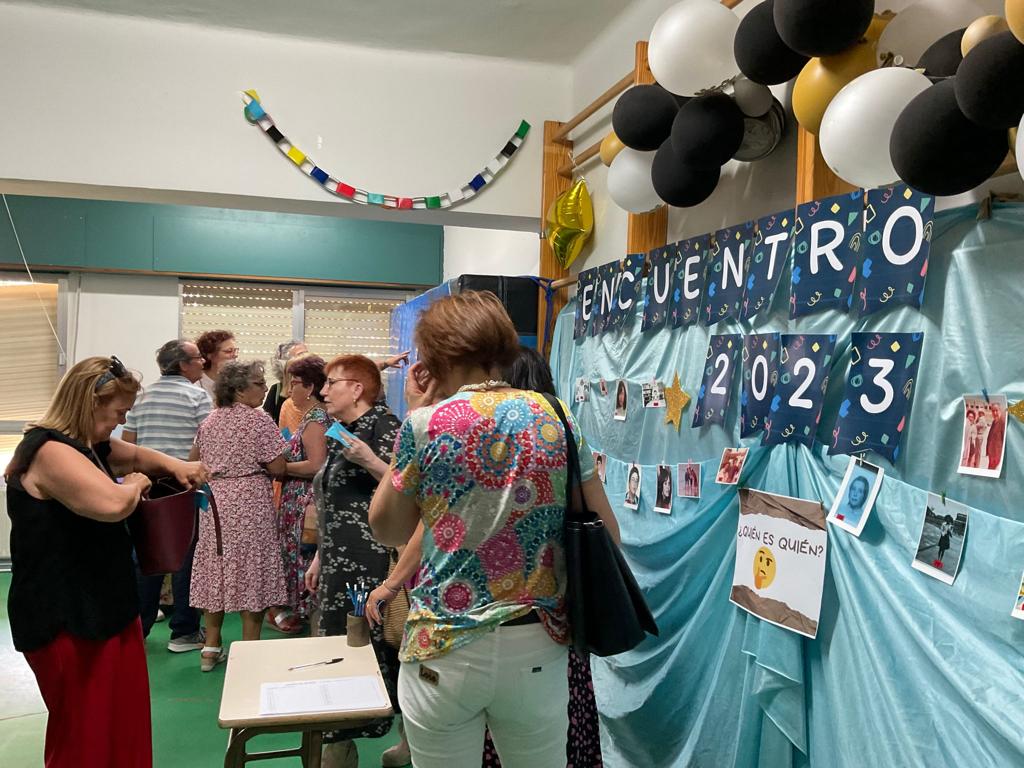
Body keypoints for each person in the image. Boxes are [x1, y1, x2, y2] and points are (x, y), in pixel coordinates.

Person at [368, 291, 621, 768]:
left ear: (435, 356)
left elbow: (388, 527)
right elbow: (609, 532)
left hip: (442, 644)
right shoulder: (557, 416)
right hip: (538, 644)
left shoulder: (427, 423)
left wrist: (419, 410)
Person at [5, 356, 208, 768]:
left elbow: (135, 453)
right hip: (66, 615)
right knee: (84, 730)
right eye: (117, 413)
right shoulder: (48, 452)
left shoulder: (90, 446)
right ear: (89, 403)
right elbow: (111, 504)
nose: (119, 422)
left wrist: (177, 465)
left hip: (104, 605)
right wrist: (134, 484)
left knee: (121, 720)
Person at [303, 354, 402, 768]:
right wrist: (321, 556)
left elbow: (407, 488)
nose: (322, 391)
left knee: (377, 649)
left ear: (356, 388)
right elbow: (337, 497)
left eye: (331, 383)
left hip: (372, 562)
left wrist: (371, 461)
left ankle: (398, 736)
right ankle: (339, 740)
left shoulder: (386, 427)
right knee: (343, 647)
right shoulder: (344, 429)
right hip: (340, 562)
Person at [189, 360, 288, 672]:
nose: (264, 389)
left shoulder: (209, 421)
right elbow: (278, 468)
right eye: (259, 384)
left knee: (214, 567)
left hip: (215, 503)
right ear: (240, 390)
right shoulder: (259, 422)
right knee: (251, 569)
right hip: (250, 501)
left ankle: (210, 647)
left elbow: (194, 462)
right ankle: (248, 652)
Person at [123, 339, 212, 652]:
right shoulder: (198, 396)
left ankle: (138, 629)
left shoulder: (141, 396)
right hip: (184, 487)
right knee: (186, 556)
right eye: (198, 358)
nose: (203, 362)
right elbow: (207, 443)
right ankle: (184, 632)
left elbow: (128, 444)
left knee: (145, 557)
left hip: (145, 486)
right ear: (183, 365)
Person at [269, 354, 330, 634]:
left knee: (303, 555)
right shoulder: (314, 415)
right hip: (299, 496)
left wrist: (282, 468)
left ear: (309, 387)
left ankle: (305, 608)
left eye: (294, 383)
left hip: (304, 498)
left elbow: (316, 464)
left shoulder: (316, 418)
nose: (288, 390)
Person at [264, 340, 308, 425]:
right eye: (301, 355)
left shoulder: (317, 388)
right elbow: (267, 424)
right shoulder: (276, 389)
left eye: (307, 354)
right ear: (285, 363)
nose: (307, 358)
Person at [196, 330, 238, 399]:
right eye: (229, 351)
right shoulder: (197, 382)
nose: (235, 355)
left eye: (235, 350)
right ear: (210, 355)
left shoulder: (237, 381)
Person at [986, 401, 1004, 471]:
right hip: (991, 455)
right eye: (993, 411)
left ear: (1000, 410)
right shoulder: (994, 422)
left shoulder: (1003, 423)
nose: (995, 413)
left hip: (997, 456)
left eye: (996, 410)